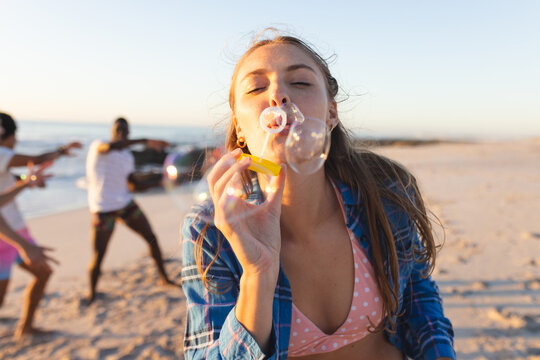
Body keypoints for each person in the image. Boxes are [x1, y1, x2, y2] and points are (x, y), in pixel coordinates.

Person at [181, 33, 455, 360]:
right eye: (256, 88)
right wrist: (257, 274)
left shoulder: (384, 192)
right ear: (240, 127)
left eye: (299, 82)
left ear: (331, 115)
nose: (279, 95)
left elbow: (419, 299)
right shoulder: (210, 230)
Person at [0, 111, 80, 338]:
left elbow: (9, 185)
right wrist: (62, 151)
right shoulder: (2, 152)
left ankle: (26, 327)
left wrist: (28, 182)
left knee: (43, 273)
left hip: (14, 229)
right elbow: (38, 158)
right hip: (7, 234)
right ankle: (25, 327)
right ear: (9, 134)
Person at [85, 117, 175, 304]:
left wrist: (158, 182)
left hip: (126, 205)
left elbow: (133, 186)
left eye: (125, 129)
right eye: (118, 128)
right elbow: (110, 147)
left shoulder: (127, 157)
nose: (121, 131)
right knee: (99, 254)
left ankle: (164, 278)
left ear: (128, 133)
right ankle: (92, 294)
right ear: (112, 130)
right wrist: (145, 141)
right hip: (103, 209)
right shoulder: (99, 146)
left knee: (152, 238)